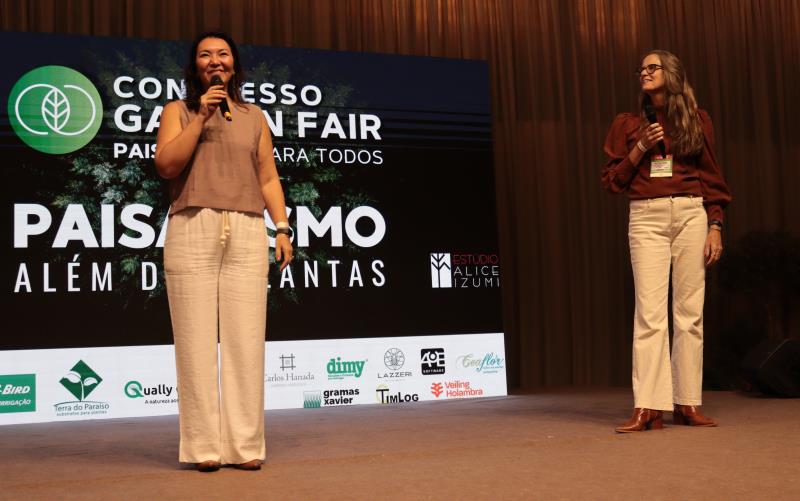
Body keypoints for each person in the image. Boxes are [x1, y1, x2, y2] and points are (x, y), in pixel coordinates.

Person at [155, 31, 293, 470]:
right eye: (205, 55)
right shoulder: (178, 110)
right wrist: (202, 117)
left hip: (249, 229)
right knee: (194, 343)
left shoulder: (255, 117)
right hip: (192, 225)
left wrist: (283, 228)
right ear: (194, 67)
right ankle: (202, 448)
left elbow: (268, 177)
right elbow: (166, 165)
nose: (215, 61)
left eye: (223, 54)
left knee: (246, 341)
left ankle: (245, 446)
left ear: (235, 65)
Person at [602, 50, 732, 433]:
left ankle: (687, 402)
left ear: (671, 74)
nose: (644, 73)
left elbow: (711, 177)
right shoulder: (627, 124)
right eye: (641, 69)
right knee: (650, 314)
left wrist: (716, 225)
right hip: (647, 216)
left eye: (652, 67)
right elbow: (612, 181)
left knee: (689, 314)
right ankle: (648, 407)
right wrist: (640, 146)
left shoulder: (696, 120)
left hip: (691, 213)